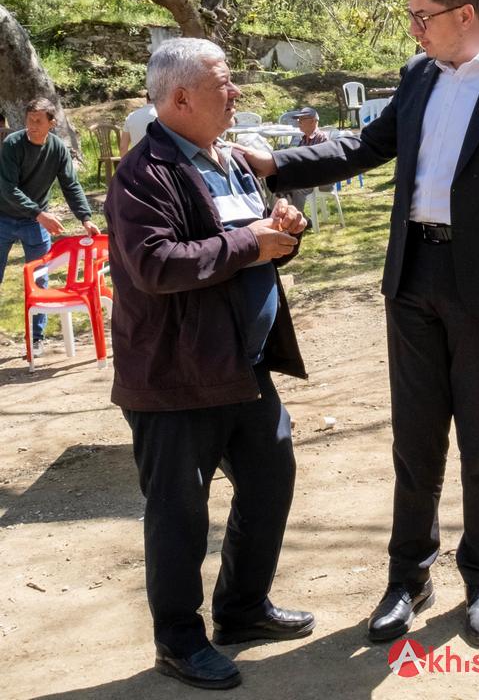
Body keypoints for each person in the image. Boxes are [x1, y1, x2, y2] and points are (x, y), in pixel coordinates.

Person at [239, 0, 479, 647]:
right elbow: (367, 147)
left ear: (464, 13)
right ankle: (408, 578)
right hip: (413, 276)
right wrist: (278, 163)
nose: (414, 30)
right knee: (414, 441)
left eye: (423, 17)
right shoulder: (419, 74)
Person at [104, 38, 313, 690]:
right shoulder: (144, 174)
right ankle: (178, 641)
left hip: (241, 367)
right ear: (181, 98)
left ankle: (243, 610)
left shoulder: (229, 159)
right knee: (179, 513)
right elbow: (156, 264)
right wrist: (250, 243)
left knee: (270, 482)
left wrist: (281, 232)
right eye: (223, 83)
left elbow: (248, 241)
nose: (236, 92)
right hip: (175, 376)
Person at [0, 98, 100, 355]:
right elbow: (8, 188)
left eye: (38, 121)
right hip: (4, 217)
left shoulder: (57, 149)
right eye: (29, 120)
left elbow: (71, 185)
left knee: (39, 280)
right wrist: (39, 214)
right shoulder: (12, 144)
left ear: (51, 123)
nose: (32, 125)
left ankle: (36, 339)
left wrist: (85, 218)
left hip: (35, 223)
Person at [279, 107, 333, 214]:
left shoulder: (321, 138)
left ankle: (295, 218)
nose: (298, 123)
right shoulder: (304, 139)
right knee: (280, 185)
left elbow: (320, 166)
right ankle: (286, 216)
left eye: (302, 120)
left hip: (323, 180)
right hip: (308, 177)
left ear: (313, 121)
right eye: (298, 120)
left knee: (298, 188)